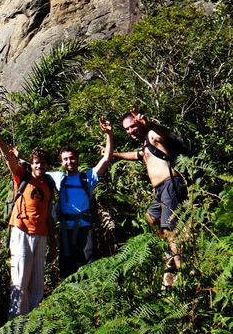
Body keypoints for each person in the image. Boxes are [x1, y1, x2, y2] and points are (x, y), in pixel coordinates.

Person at [0, 119, 56, 319]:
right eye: (36, 163)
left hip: (41, 236)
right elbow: (6, 157)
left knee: (36, 285)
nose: (39, 166)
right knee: (19, 281)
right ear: (32, 163)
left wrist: (53, 244)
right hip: (22, 231)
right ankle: (16, 325)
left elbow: (49, 217)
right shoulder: (22, 176)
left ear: (47, 165)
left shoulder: (49, 186)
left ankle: (33, 323)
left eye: (43, 163)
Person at [112, 109, 187, 286]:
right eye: (127, 129)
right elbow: (135, 155)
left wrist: (150, 124)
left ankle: (180, 270)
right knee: (151, 217)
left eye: (132, 126)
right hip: (160, 191)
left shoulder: (152, 134)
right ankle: (170, 254)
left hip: (170, 184)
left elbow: (166, 133)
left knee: (170, 229)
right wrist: (112, 155)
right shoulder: (145, 145)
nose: (130, 131)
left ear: (139, 123)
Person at [46, 117, 113, 278]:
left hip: (86, 229)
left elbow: (107, 159)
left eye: (72, 158)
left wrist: (109, 134)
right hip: (65, 230)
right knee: (68, 271)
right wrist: (18, 157)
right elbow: (35, 170)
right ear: (61, 162)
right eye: (66, 159)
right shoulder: (58, 178)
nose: (69, 161)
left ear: (77, 159)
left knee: (90, 265)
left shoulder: (87, 178)